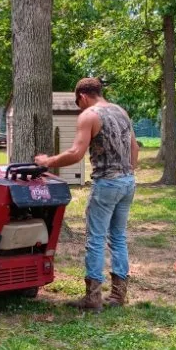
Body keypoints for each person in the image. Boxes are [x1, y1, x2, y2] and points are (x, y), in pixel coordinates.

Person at [35, 78, 138, 312]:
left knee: (96, 239)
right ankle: (118, 295)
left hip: (106, 184)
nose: (78, 107)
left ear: (82, 96)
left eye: (77, 102)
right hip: (127, 182)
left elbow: (75, 153)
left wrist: (47, 161)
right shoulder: (121, 112)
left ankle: (93, 298)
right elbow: (135, 148)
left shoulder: (89, 115)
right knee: (118, 237)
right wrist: (128, 172)